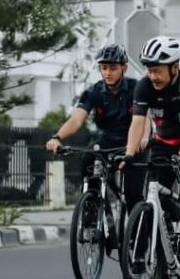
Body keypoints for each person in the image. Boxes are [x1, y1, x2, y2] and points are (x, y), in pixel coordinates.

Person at [122, 35, 180, 259]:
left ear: (175, 67)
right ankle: (161, 242)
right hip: (163, 141)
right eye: (149, 70)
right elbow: (137, 122)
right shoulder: (144, 86)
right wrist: (129, 154)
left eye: (158, 71)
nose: (153, 76)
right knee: (154, 190)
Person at [45, 44, 143, 211]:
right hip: (107, 141)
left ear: (124, 68)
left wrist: (141, 141)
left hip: (133, 142)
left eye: (113, 68)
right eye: (103, 68)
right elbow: (76, 120)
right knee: (89, 161)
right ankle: (94, 213)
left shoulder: (137, 89)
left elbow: (144, 119)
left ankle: (137, 233)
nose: (107, 73)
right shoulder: (94, 92)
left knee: (133, 194)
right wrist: (57, 137)